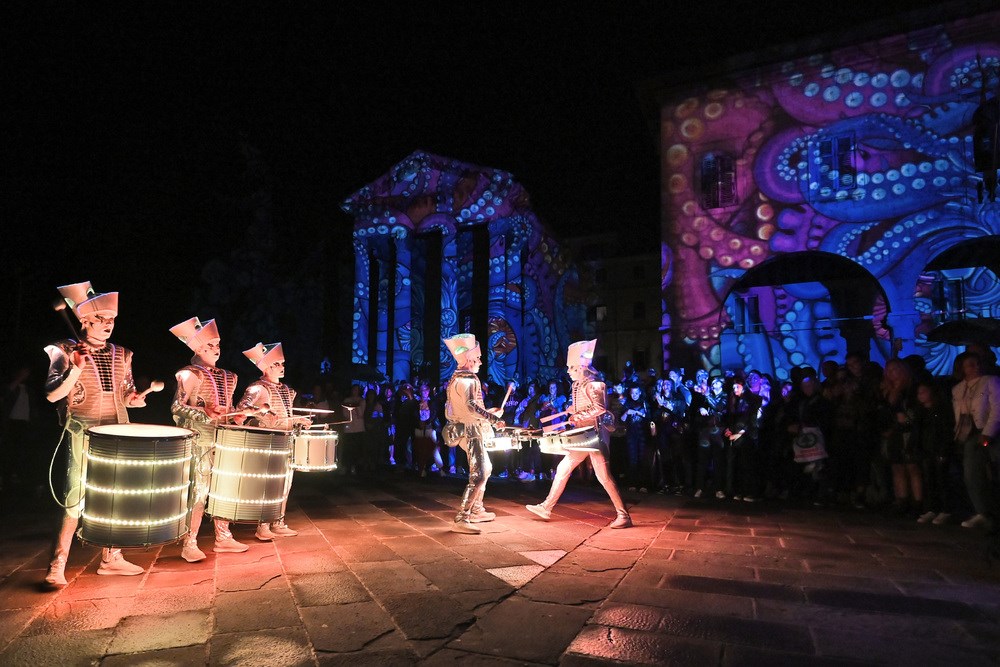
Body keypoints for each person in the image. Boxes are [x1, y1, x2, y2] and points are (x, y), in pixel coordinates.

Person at [43, 282, 149, 586]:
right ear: (84, 320)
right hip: (83, 431)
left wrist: (134, 399)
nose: (108, 324)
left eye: (111, 319)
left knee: (115, 496)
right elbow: (52, 394)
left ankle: (111, 557)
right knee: (74, 497)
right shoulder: (64, 349)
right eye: (100, 318)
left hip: (117, 432)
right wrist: (75, 368)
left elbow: (125, 392)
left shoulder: (122, 354)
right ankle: (57, 564)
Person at [526, 340, 632, 528]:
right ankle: (546, 507)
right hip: (582, 435)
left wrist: (577, 415)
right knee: (563, 468)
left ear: (581, 367)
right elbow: (583, 406)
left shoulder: (595, 384)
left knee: (603, 476)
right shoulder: (578, 385)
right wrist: (571, 410)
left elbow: (599, 408)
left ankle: (623, 516)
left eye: (571, 367)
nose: (568, 371)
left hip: (595, 436)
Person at [169, 316, 250, 561]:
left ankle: (223, 537)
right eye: (210, 345)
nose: (216, 349)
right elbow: (177, 407)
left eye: (217, 345)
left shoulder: (229, 376)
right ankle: (189, 543)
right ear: (197, 349)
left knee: (223, 488)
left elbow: (229, 409)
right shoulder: (189, 374)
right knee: (199, 492)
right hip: (199, 440)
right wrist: (204, 412)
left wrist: (238, 416)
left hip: (223, 438)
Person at [237, 342, 311, 540]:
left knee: (285, 484)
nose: (282, 367)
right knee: (268, 486)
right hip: (268, 442)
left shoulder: (287, 390)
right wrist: (262, 413)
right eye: (277, 364)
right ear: (266, 367)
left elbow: (285, 416)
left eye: (282, 363)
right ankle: (263, 526)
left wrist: (299, 419)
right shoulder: (258, 388)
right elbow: (241, 410)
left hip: (286, 441)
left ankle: (278, 522)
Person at [442, 333, 504, 534]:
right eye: (477, 358)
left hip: (467, 427)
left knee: (486, 467)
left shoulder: (457, 379)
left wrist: (489, 413)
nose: (480, 362)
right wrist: (493, 418)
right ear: (469, 360)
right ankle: (463, 516)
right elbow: (470, 407)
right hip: (470, 431)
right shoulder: (467, 381)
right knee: (480, 472)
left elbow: (468, 408)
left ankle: (477, 509)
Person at [952, 351, 1000, 529]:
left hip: (988, 432)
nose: (976, 367)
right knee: (972, 474)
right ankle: (983, 512)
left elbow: (997, 408)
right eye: (971, 365)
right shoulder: (958, 388)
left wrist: (988, 432)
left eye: (977, 363)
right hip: (969, 434)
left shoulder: (991, 381)